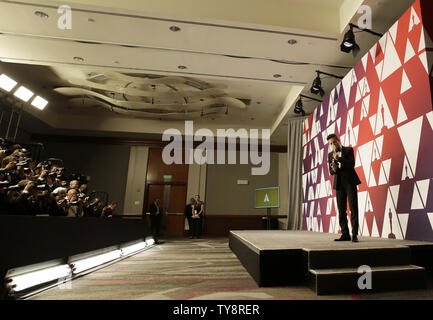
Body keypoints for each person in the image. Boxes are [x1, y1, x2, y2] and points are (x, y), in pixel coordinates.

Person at [327, 134, 361, 243]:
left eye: (334, 142)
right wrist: (335, 168)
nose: (333, 145)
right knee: (341, 210)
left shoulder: (348, 150)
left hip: (350, 182)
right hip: (339, 184)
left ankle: (354, 234)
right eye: (331, 144)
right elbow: (331, 172)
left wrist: (340, 159)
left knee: (353, 208)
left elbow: (351, 164)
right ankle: (345, 234)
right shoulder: (330, 155)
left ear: (338, 140)